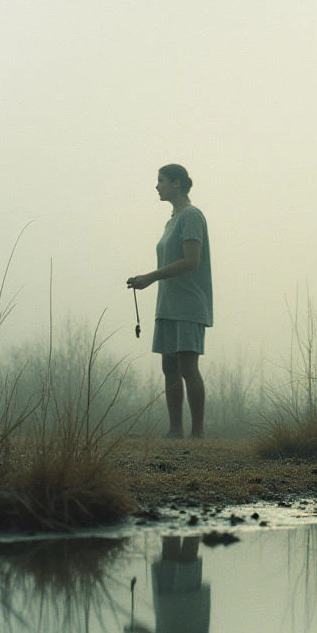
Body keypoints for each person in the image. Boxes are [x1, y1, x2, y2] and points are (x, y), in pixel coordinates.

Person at [127, 164, 213, 438]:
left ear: (176, 183)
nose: (157, 186)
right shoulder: (171, 221)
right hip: (168, 303)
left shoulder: (191, 216)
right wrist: (146, 279)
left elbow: (192, 261)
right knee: (169, 368)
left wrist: (151, 277)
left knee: (188, 367)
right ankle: (175, 430)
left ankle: (197, 433)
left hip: (189, 304)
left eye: (161, 180)